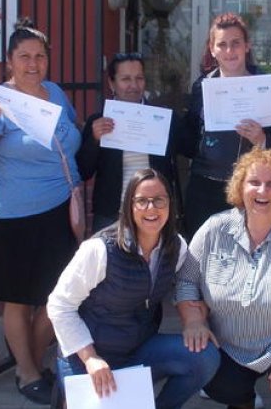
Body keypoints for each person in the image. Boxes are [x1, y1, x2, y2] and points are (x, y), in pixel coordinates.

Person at [0, 18, 81, 405]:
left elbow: (71, 138)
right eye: (24, 56)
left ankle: (27, 357)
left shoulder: (57, 94)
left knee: (57, 296)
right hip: (16, 214)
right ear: (9, 61)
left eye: (40, 56)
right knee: (19, 299)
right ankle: (27, 370)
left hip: (62, 210)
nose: (33, 64)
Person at [47, 169, 220, 408]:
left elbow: (186, 283)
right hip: (88, 353)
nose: (152, 208)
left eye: (159, 200)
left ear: (170, 204)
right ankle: (68, 390)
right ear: (129, 206)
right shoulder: (99, 250)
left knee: (204, 356)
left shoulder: (176, 247)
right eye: (142, 201)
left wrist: (194, 321)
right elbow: (59, 305)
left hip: (139, 349)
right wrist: (91, 358)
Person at [175, 149, 271, 409]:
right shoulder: (214, 228)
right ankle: (243, 402)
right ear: (240, 187)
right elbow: (186, 282)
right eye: (254, 182)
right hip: (228, 344)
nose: (262, 191)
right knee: (207, 368)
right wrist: (193, 321)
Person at [179, 13, 271, 237]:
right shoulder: (202, 87)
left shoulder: (269, 87)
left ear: (247, 46)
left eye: (236, 43)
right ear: (212, 49)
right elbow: (189, 142)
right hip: (206, 188)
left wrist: (261, 139)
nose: (229, 51)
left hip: (252, 189)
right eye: (222, 45)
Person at [77, 52, 181, 232]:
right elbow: (83, 171)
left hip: (155, 211)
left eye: (139, 78)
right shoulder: (99, 121)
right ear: (112, 83)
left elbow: (189, 147)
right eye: (126, 79)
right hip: (112, 215)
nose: (133, 85)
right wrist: (94, 139)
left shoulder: (161, 118)